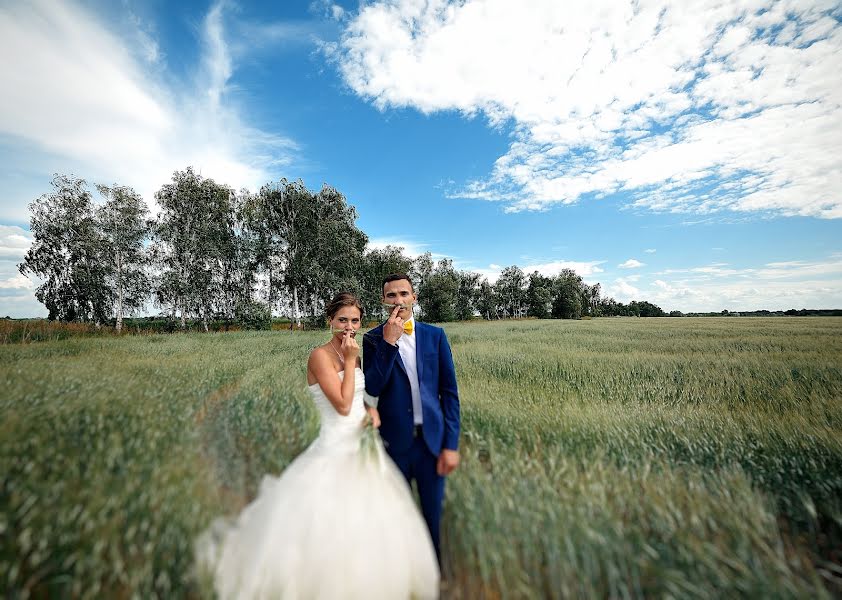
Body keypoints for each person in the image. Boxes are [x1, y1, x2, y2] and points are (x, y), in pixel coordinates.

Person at [196, 292, 439, 599]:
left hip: (362, 445)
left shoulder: (354, 355)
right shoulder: (320, 356)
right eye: (342, 320)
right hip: (334, 447)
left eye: (354, 320)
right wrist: (351, 362)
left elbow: (355, 398)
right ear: (330, 321)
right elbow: (339, 403)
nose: (348, 327)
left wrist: (369, 409)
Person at [362, 274, 461, 563]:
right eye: (391, 295)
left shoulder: (435, 335)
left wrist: (451, 445)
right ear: (383, 301)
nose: (398, 301)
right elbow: (373, 387)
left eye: (404, 294)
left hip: (432, 443)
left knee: (432, 517)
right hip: (396, 444)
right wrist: (388, 344)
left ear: (414, 298)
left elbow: (449, 393)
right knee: (398, 519)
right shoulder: (372, 339)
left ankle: (434, 581)